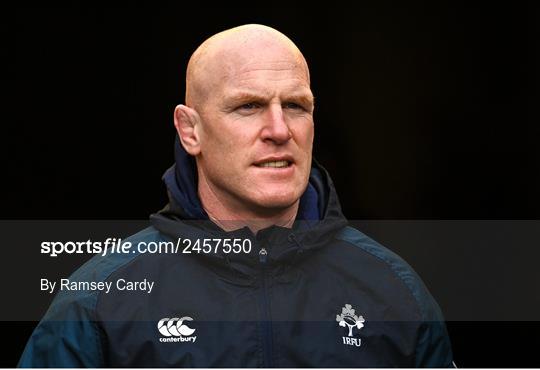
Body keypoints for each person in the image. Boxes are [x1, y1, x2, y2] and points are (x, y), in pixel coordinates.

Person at [19, 24, 454, 367]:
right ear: (190, 130)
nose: (280, 130)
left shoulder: (393, 290)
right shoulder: (100, 299)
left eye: (297, 106)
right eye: (248, 106)